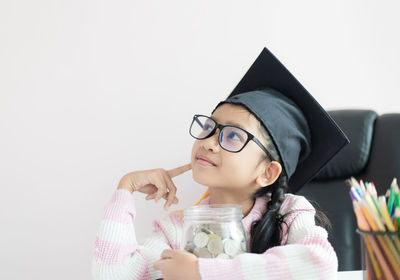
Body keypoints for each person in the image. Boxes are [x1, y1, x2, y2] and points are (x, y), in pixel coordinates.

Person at [91, 47, 349, 280]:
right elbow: (115, 275)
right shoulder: (180, 227)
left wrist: (200, 272)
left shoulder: (289, 214)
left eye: (233, 135)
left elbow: (319, 265)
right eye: (209, 127)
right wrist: (126, 187)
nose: (210, 142)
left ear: (267, 172)